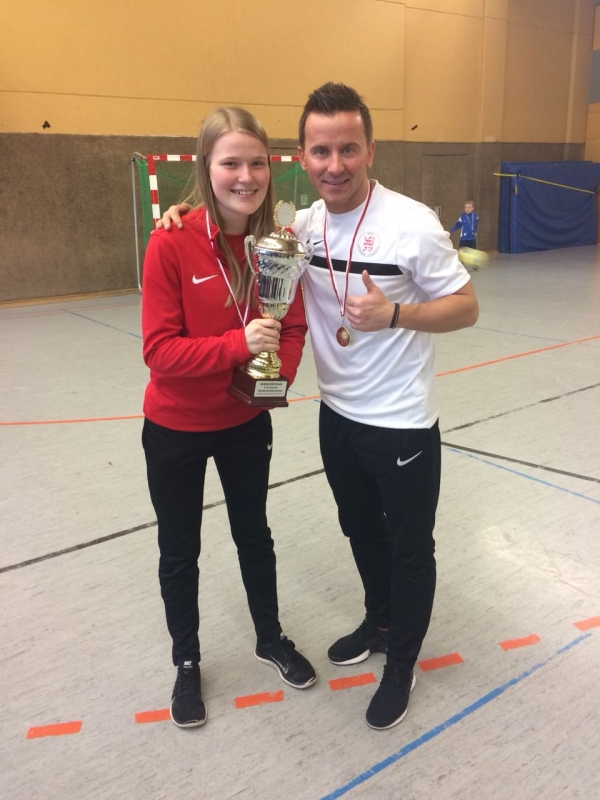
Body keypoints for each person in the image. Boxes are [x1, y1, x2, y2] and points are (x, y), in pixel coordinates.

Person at [159, 83, 479, 731]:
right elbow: (233, 220)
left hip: (402, 420)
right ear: (302, 157)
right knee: (359, 530)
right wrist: (181, 213)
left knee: (409, 547)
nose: (335, 165)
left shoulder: (412, 221)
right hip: (338, 417)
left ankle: (401, 664)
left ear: (370, 150)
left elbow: (466, 307)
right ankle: (380, 619)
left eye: (348, 149)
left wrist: (396, 314)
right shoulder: (298, 228)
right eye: (321, 151)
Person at [142, 106, 316, 730]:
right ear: (206, 167)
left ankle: (269, 637)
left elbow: (291, 327)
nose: (246, 176)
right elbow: (159, 353)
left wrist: (275, 377)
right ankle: (187, 660)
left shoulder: (279, 244)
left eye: (257, 163)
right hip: (176, 428)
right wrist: (237, 347)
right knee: (179, 549)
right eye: (231, 163)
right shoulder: (170, 241)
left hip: (245, 421)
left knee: (254, 534)